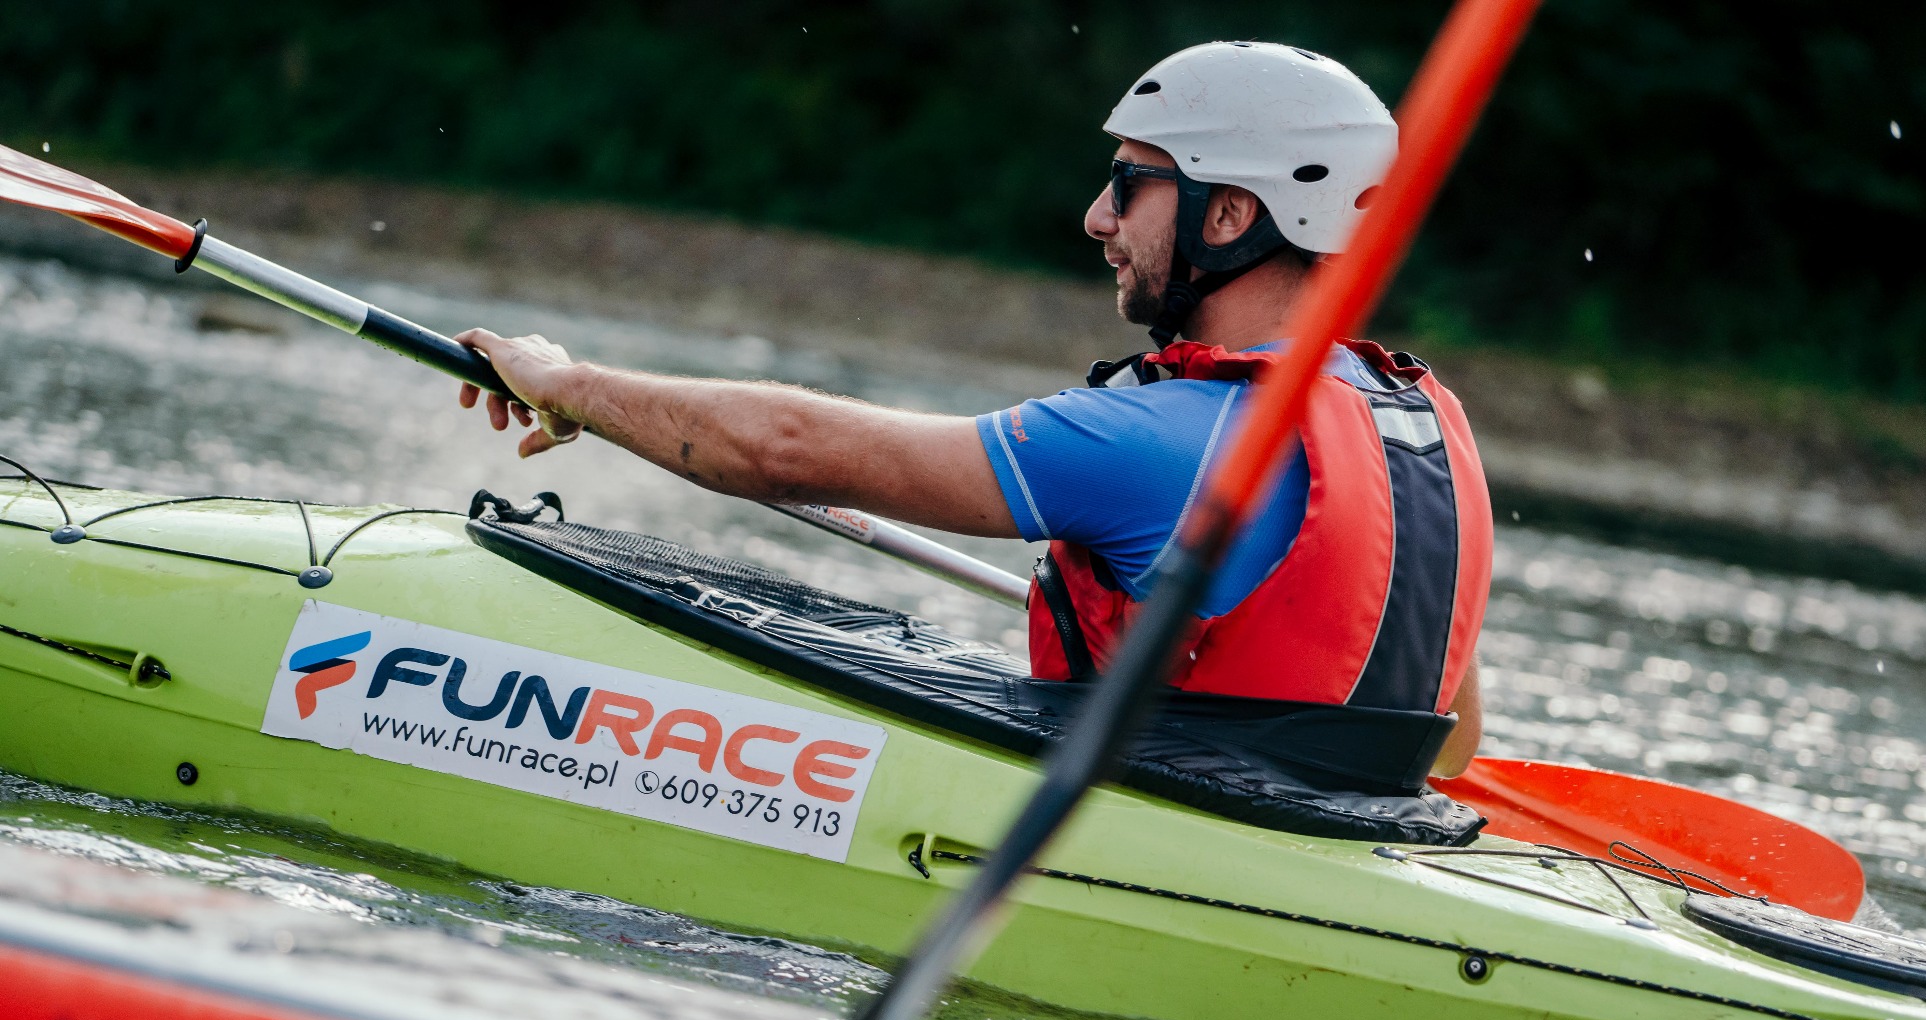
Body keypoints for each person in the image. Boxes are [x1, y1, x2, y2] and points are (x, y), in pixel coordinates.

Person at [454, 41, 1491, 778]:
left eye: (1130, 184)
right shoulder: (1425, 429)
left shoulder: (1167, 438)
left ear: (1230, 213)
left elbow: (784, 448)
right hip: (1316, 828)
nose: (1096, 218)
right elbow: (1448, 740)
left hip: (1175, 844)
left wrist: (567, 384)